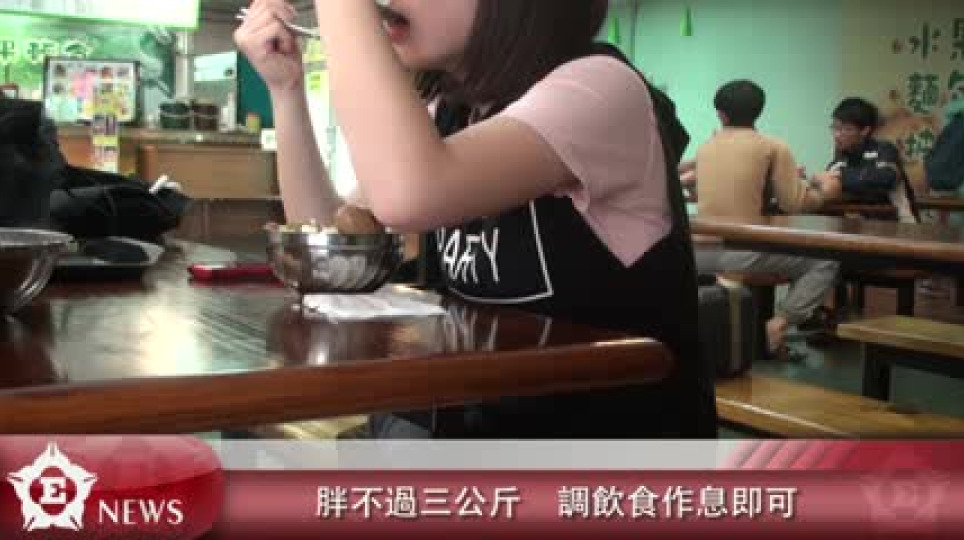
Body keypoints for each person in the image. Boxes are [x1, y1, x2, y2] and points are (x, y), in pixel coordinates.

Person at [234, 0, 716, 439]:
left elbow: (410, 193)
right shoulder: (453, 111)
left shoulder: (599, 89)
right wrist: (286, 90)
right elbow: (330, 240)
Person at [691, 80, 843, 354]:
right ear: (759, 112)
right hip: (740, 254)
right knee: (825, 260)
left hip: (699, 254)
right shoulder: (772, 147)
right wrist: (826, 191)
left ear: (721, 114)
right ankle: (779, 324)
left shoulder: (705, 148)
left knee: (769, 248)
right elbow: (795, 203)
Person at [828, 97, 918, 223]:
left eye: (846, 129)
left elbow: (887, 177)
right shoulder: (840, 160)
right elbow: (829, 185)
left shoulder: (884, 149)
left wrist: (842, 176)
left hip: (900, 224)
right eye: (835, 128)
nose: (837, 135)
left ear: (865, 131)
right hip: (860, 227)